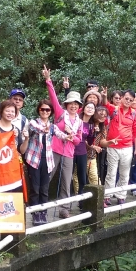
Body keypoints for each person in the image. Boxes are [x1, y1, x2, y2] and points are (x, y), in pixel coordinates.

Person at [44, 67, 84, 218]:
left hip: (69, 153)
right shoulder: (60, 114)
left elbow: (78, 140)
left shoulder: (79, 122)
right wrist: (48, 80)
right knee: (47, 175)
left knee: (66, 180)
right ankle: (40, 204)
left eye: (76, 104)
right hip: (54, 149)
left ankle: (64, 208)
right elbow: (53, 97)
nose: (73, 106)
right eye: (71, 103)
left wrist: (70, 135)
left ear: (79, 107)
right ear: (66, 105)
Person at [23, 99, 56, 224]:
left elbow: (59, 134)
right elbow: (37, 129)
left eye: (48, 109)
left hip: (47, 160)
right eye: (43, 109)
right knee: (35, 188)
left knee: (44, 189)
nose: (45, 111)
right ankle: (35, 213)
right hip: (34, 160)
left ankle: (43, 212)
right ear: (39, 110)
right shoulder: (33, 122)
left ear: (51, 111)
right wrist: (45, 130)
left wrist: (68, 136)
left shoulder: (52, 126)